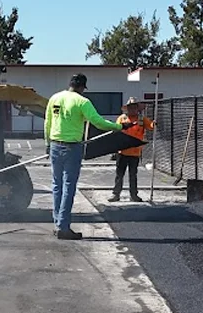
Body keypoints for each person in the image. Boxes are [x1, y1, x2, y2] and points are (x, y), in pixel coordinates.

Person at [44, 73, 126, 240]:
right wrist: (118, 127)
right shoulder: (82, 101)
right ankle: (64, 227)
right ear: (82, 87)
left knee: (57, 186)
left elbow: (48, 122)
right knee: (68, 187)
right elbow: (97, 121)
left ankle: (58, 223)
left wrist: (47, 143)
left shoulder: (55, 98)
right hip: (71, 147)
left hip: (54, 146)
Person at [110, 97, 154, 202]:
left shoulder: (142, 120)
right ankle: (116, 194)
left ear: (137, 109)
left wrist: (154, 123)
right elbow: (115, 130)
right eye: (130, 108)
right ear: (127, 109)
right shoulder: (122, 118)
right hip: (122, 151)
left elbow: (151, 126)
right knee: (119, 174)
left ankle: (134, 195)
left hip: (135, 152)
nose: (132, 110)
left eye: (134, 108)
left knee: (133, 175)